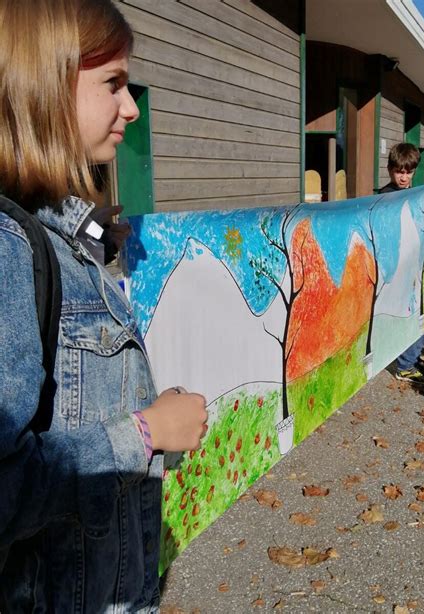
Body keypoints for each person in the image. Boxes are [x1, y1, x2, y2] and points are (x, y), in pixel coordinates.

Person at [0, 1, 208, 611]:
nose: (132, 107)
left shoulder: (60, 231)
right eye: (112, 83)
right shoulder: (11, 248)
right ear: (40, 87)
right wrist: (145, 433)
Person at [379, 143, 424, 384]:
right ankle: (405, 366)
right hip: (396, 268)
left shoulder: (416, 195)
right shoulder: (384, 197)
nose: (403, 177)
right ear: (390, 169)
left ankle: (411, 357)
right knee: (414, 315)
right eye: (398, 172)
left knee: (423, 314)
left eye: (408, 172)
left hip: (415, 266)